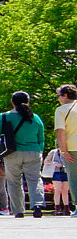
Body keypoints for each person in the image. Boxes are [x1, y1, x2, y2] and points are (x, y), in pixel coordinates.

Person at [0, 91, 46, 218]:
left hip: (12, 152)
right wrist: (40, 151)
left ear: (12, 102)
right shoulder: (35, 117)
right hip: (33, 151)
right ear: (28, 102)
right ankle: (37, 205)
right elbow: (41, 137)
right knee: (34, 179)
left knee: (14, 181)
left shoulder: (4, 116)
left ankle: (18, 210)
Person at [56, 84, 77, 216]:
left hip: (72, 147)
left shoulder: (61, 110)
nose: (58, 99)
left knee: (74, 177)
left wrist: (63, 150)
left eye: (59, 96)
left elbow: (60, 130)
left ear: (65, 95)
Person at [45, 147, 70, 217]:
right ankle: (57, 208)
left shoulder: (68, 152)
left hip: (66, 172)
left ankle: (66, 208)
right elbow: (46, 161)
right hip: (56, 172)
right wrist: (55, 164)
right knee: (58, 190)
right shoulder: (53, 152)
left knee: (65, 191)